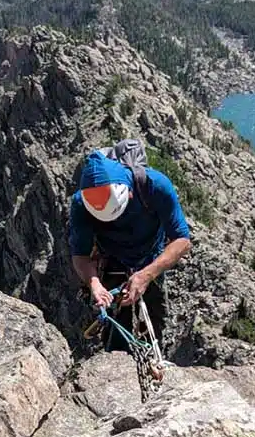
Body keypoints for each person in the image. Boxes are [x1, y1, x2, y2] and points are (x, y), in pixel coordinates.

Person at [68, 148, 191, 353]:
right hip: (112, 261)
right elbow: (80, 255)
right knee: (116, 331)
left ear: (129, 193)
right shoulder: (81, 204)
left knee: (153, 322)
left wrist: (146, 275)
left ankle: (152, 357)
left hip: (151, 260)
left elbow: (182, 240)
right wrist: (95, 284)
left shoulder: (155, 186)